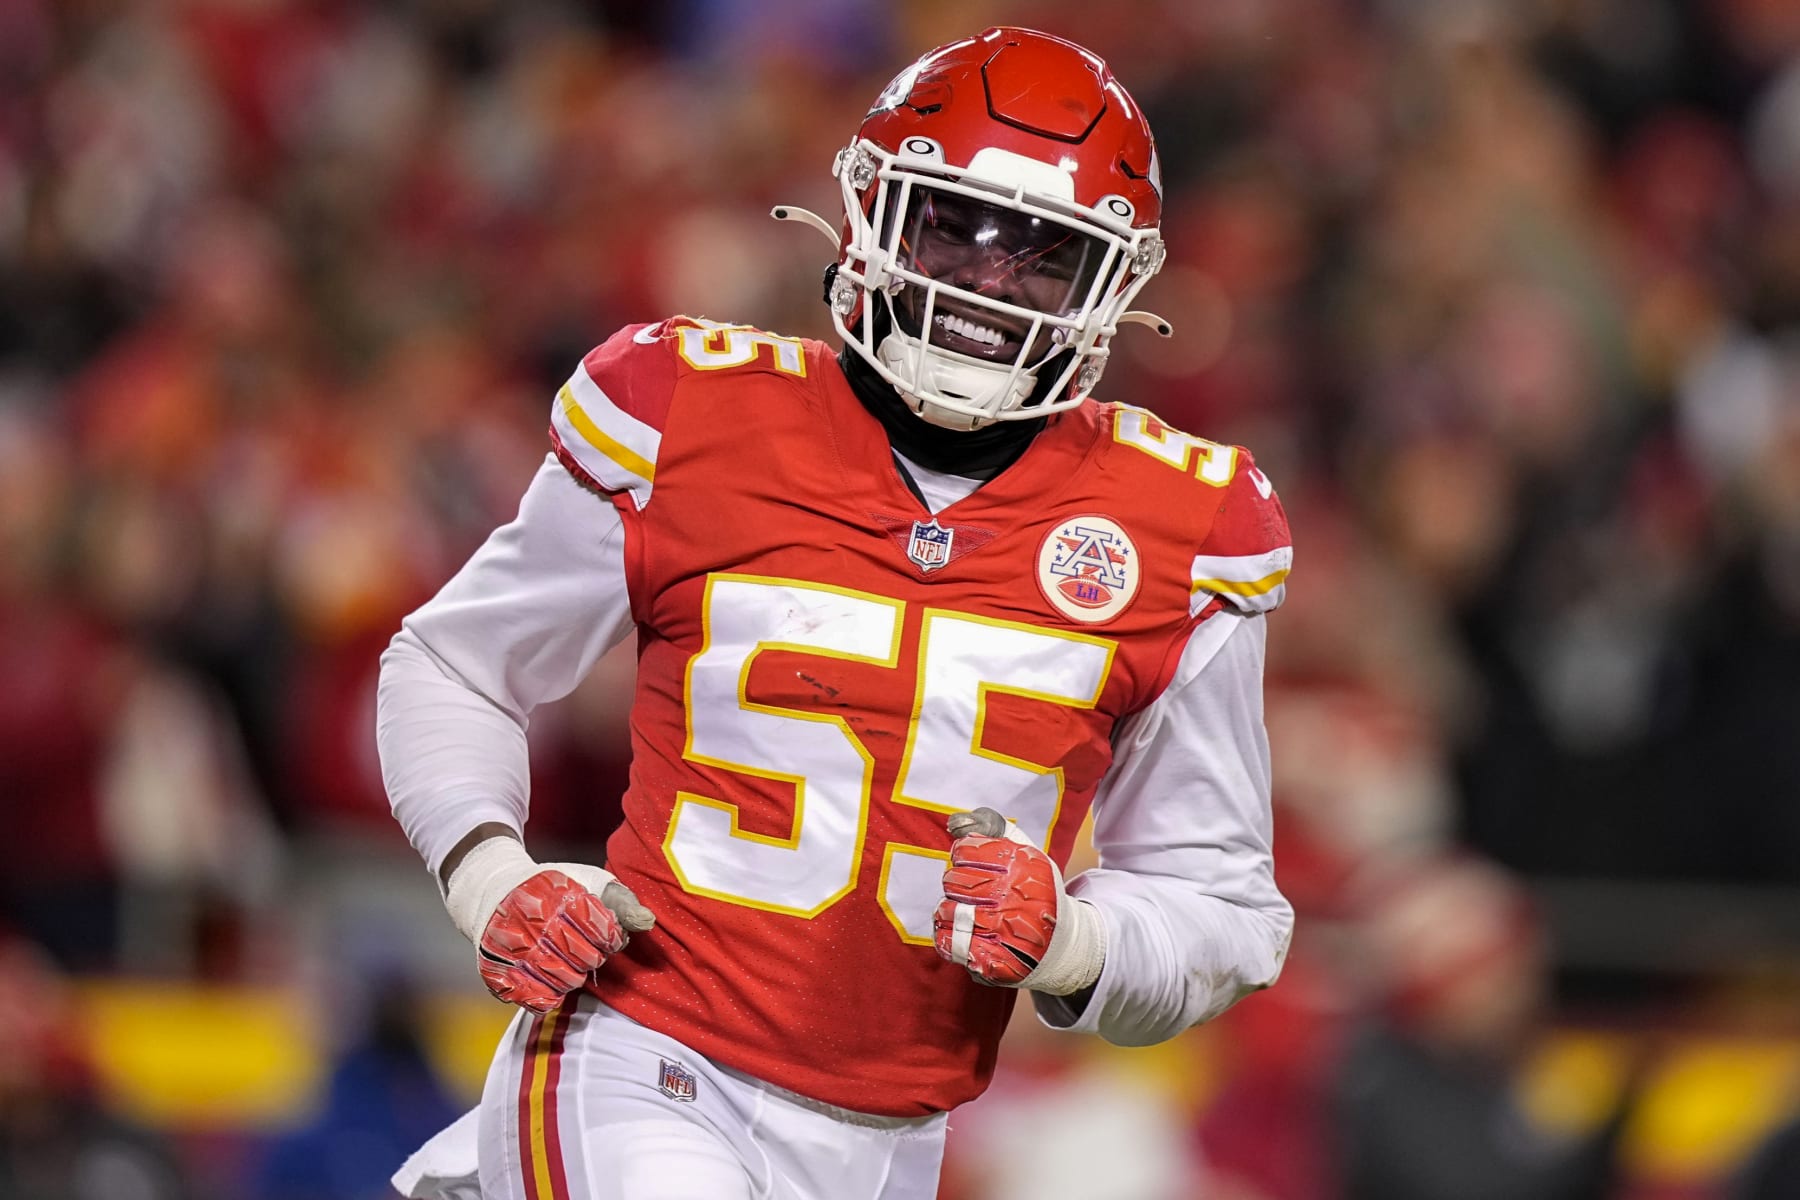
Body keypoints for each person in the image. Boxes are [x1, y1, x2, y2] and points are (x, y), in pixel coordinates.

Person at [377, 26, 1294, 1200]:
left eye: (1042, 255)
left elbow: (1223, 902)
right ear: (869, 208)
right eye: (954, 226)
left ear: (1114, 284)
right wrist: (491, 877)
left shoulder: (1183, 524)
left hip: (892, 1139)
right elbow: (455, 666)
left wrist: (1075, 939)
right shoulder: (687, 411)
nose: (986, 281)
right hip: (642, 1058)